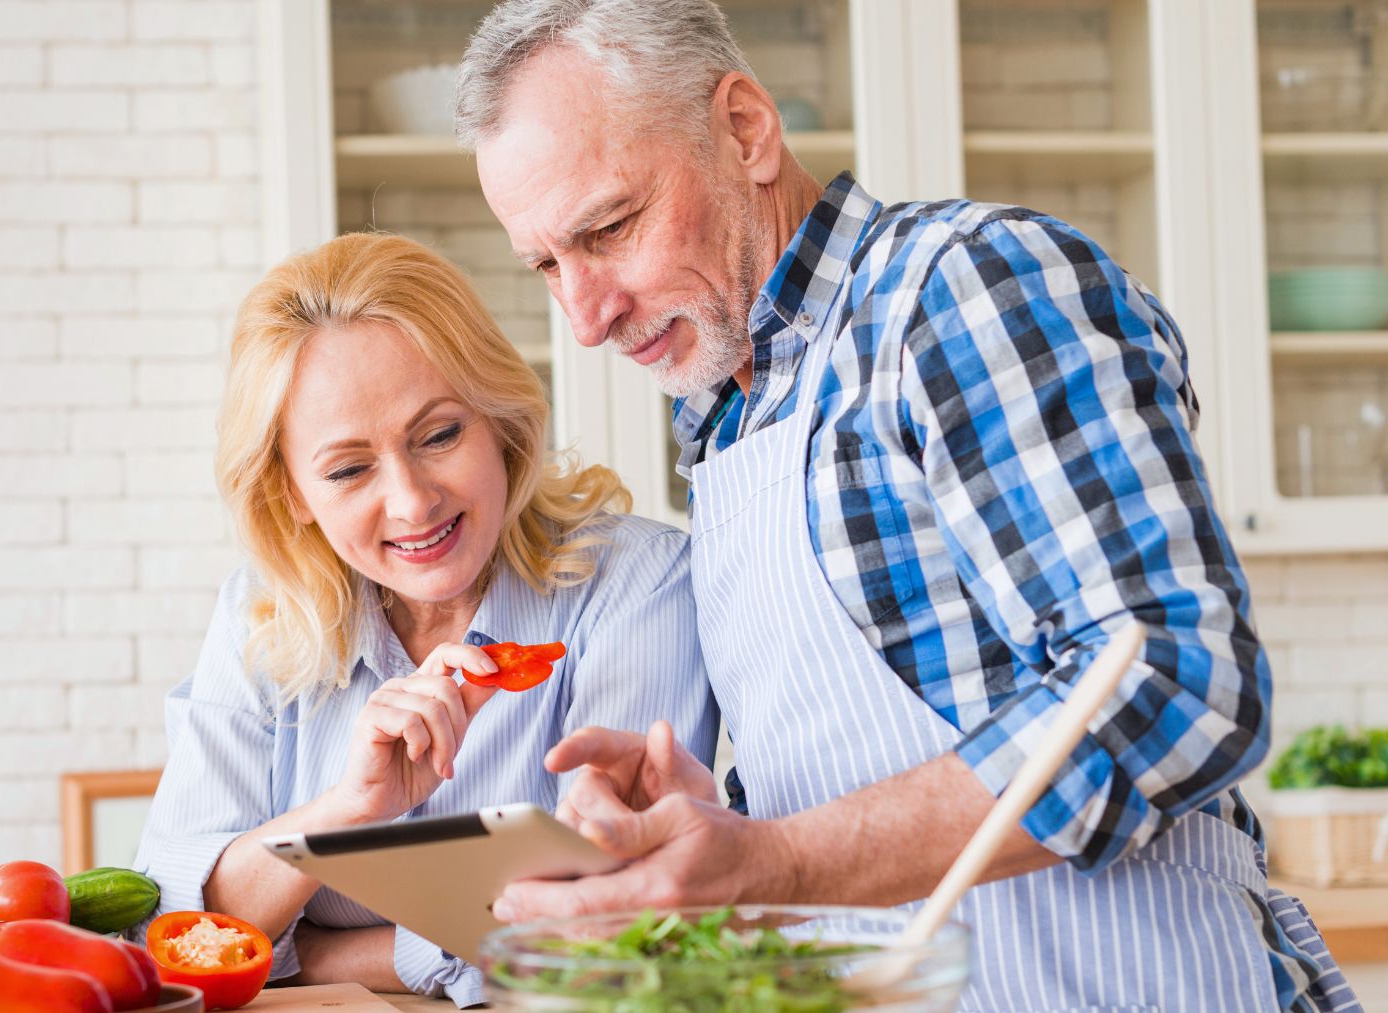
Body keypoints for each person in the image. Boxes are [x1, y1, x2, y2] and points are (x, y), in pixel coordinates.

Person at [456, 2, 1356, 1010]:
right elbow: (870, 789)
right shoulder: (727, 418)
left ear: (745, 130)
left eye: (610, 227)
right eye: (546, 263)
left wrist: (775, 857)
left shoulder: (961, 289)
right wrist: (722, 826)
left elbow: (1180, 683)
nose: (584, 315)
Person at [129, 231, 719, 1006]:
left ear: (499, 420)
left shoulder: (638, 585)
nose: (412, 501)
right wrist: (345, 813)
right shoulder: (260, 615)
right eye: (348, 469)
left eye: (439, 434)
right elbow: (173, 936)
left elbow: (605, 929)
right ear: (294, 496)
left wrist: (320, 950)